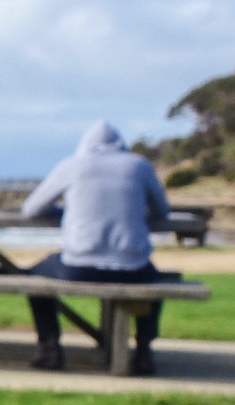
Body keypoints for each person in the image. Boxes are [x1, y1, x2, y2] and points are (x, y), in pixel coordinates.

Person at [20, 121, 173, 375]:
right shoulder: (139, 165)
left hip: (79, 264)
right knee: (153, 280)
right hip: (132, 265)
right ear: (121, 145)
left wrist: (68, 212)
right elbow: (162, 210)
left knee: (33, 277)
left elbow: (31, 209)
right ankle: (144, 349)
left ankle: (50, 346)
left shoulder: (72, 165)